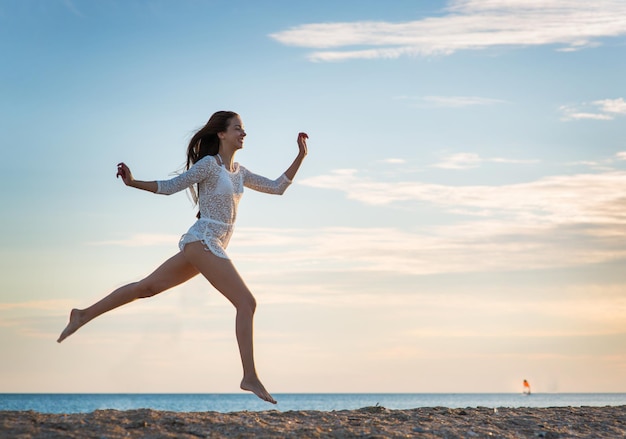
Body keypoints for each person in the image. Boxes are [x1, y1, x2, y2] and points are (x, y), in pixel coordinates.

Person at [57, 111, 308, 404]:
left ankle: (82, 314)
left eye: (244, 129)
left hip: (208, 245)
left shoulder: (240, 172)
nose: (244, 133)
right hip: (203, 239)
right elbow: (169, 187)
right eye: (237, 128)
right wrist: (133, 182)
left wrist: (301, 155)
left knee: (145, 288)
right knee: (246, 302)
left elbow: (277, 187)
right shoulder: (209, 166)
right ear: (222, 134)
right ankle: (249, 376)